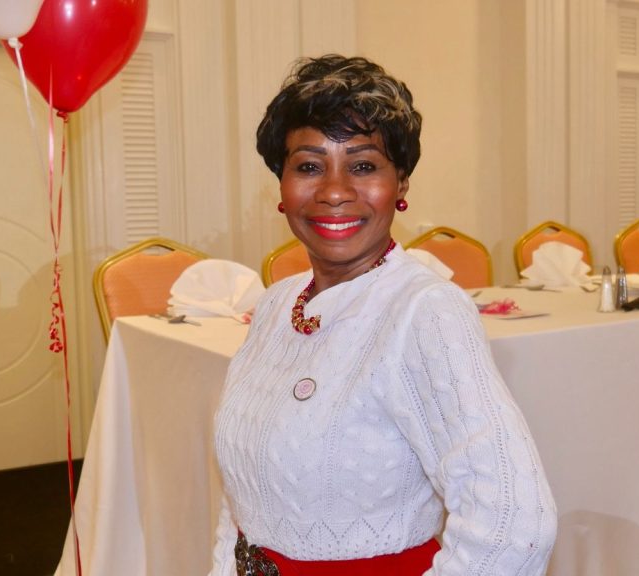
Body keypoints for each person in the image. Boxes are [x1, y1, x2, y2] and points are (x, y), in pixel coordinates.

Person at [209, 54, 556, 576]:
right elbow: (243, 498)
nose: (334, 191)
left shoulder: (424, 310)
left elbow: (515, 523)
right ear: (281, 185)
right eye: (309, 166)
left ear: (402, 184)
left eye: (364, 166)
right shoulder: (277, 303)